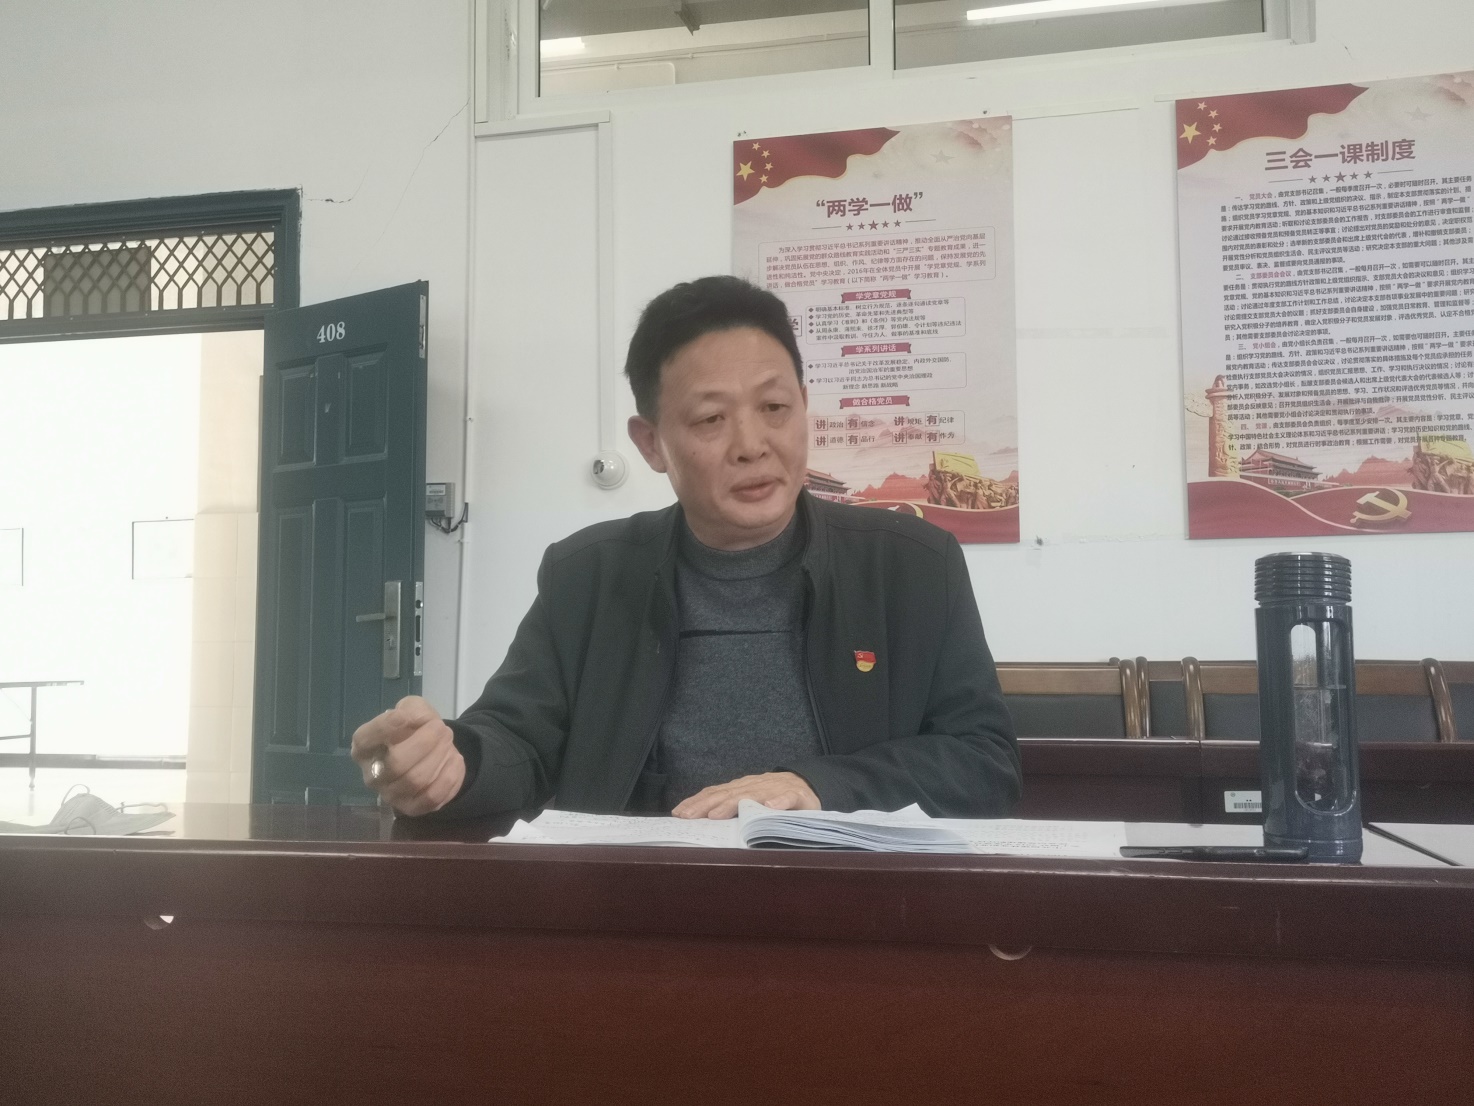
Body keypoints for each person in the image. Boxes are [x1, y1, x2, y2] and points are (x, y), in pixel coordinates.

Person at [351, 276, 1019, 820]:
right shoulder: (589, 575)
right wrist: (453, 764)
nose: (752, 445)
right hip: (644, 907)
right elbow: (518, 741)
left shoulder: (911, 567)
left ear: (804, 407)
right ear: (651, 444)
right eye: (710, 419)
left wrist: (819, 787)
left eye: (775, 409)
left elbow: (984, 763)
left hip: (852, 907)